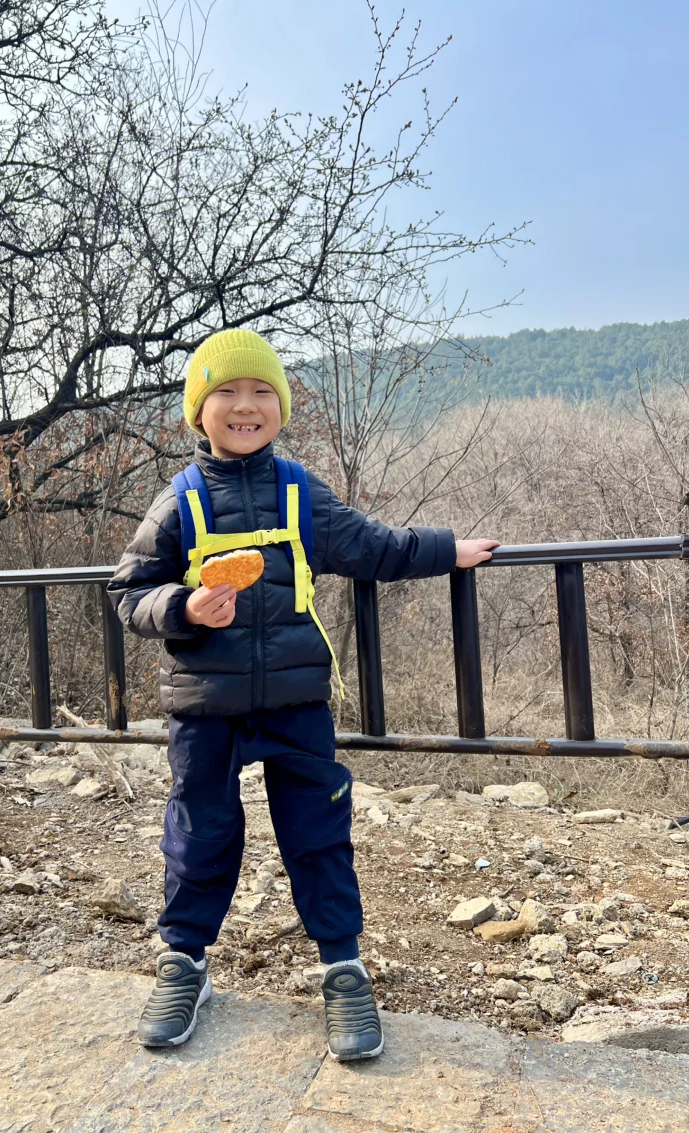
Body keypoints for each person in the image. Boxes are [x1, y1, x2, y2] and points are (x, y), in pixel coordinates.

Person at [108, 327, 498, 1060]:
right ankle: (184, 963)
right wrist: (184, 608)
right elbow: (128, 594)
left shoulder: (299, 492)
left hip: (296, 701)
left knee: (319, 834)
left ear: (281, 408)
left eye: (262, 392)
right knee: (198, 833)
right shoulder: (179, 501)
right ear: (199, 411)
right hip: (204, 705)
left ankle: (344, 969)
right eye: (227, 392)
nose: (245, 406)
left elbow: (374, 546)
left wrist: (449, 549)